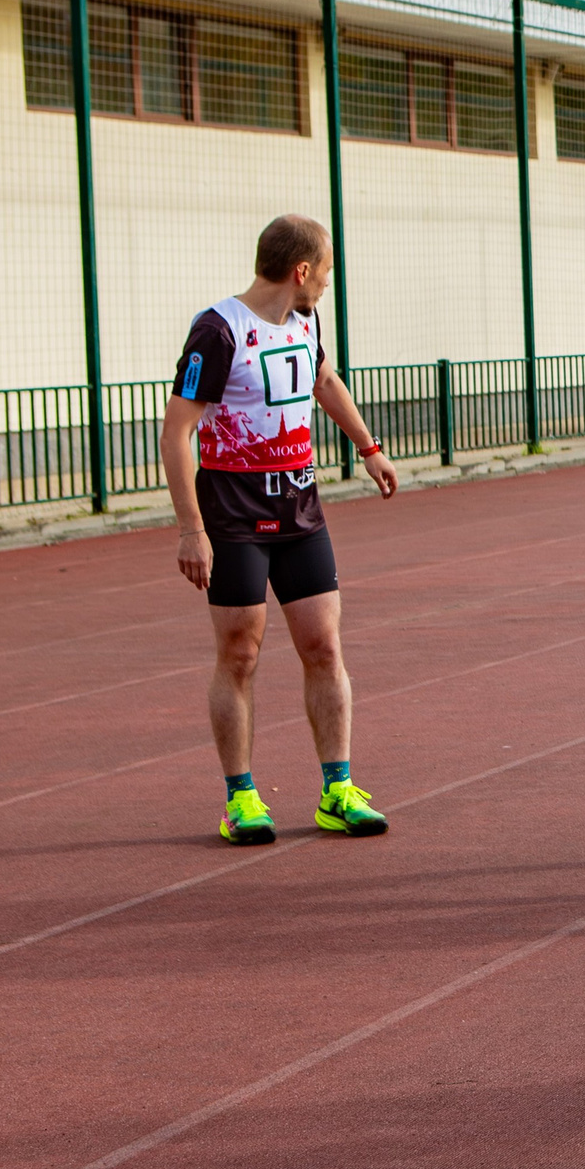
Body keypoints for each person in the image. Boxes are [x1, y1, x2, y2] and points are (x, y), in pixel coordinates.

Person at [161, 214, 399, 846]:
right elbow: (177, 431)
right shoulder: (217, 331)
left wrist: (369, 447)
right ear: (301, 271)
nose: (327, 283)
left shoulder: (305, 319)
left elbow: (322, 380)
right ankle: (242, 799)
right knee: (240, 653)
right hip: (233, 516)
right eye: (325, 271)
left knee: (323, 646)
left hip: (300, 509)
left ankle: (338, 789)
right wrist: (192, 530)